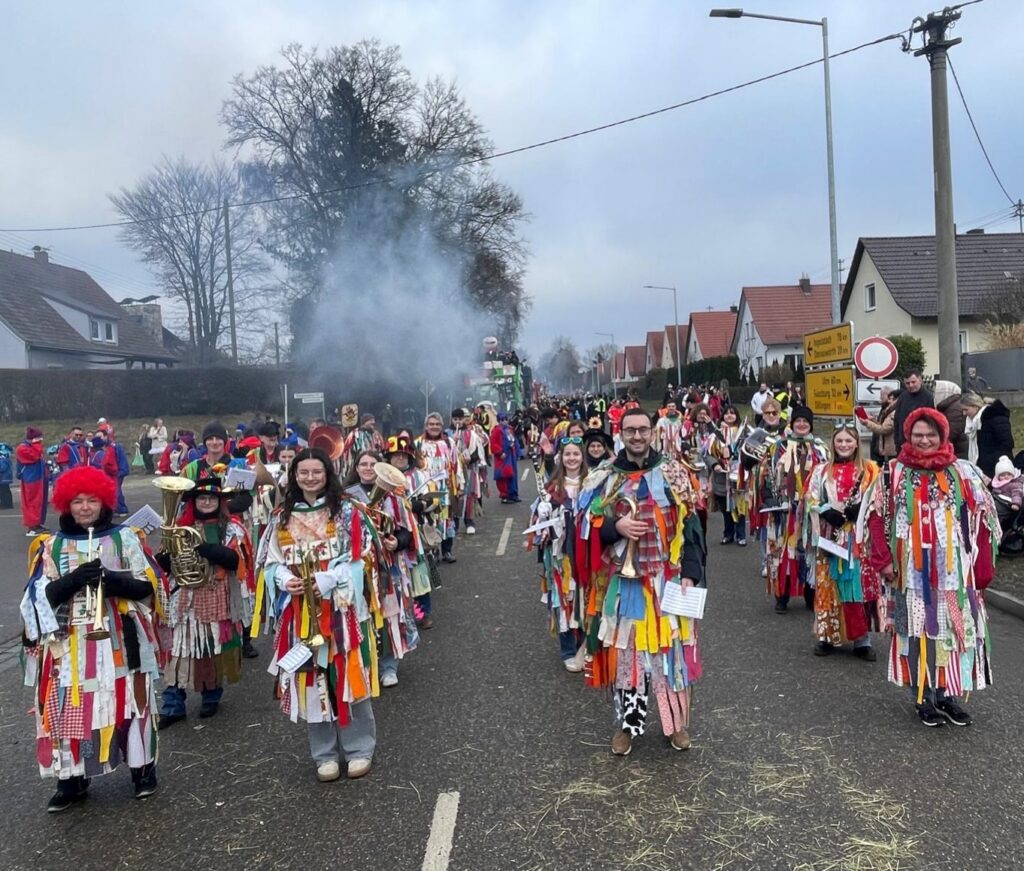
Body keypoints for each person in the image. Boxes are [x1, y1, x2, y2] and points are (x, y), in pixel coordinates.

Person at [19, 466, 161, 811]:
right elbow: (35, 599)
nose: (85, 507)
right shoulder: (51, 545)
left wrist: (116, 582)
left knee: (129, 701)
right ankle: (71, 777)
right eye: (78, 501)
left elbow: (152, 587)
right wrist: (69, 582)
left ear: (104, 502)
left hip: (119, 636)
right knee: (69, 705)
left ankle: (142, 769)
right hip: (68, 643)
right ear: (67, 505)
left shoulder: (125, 538)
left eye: (92, 500)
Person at [575, 408, 706, 756]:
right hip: (623, 583)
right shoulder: (603, 476)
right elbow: (584, 528)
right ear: (621, 433)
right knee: (627, 657)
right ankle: (627, 727)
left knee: (670, 653)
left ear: (652, 432)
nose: (637, 436)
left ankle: (675, 724)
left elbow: (692, 529)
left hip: (667, 579)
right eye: (630, 430)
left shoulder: (674, 472)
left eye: (642, 430)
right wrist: (613, 528)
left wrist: (691, 574)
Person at [865, 408, 999, 727]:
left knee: (953, 630)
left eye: (931, 434)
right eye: (917, 435)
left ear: (943, 436)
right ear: (907, 436)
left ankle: (946, 693)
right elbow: (875, 517)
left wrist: (982, 567)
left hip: (955, 575)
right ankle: (923, 697)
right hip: (909, 575)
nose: (924, 440)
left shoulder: (964, 472)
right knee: (916, 632)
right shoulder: (893, 473)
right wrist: (883, 561)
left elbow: (986, 518)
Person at [262, 448, 380, 781]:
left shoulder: (346, 512)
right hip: (300, 611)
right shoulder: (281, 516)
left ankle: (359, 748)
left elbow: (362, 557)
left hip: (339, 609)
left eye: (317, 472)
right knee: (311, 678)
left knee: (347, 674)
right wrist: (286, 580)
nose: (310, 478)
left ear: (327, 474)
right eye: (303, 472)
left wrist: (328, 579)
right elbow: (270, 562)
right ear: (294, 476)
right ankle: (324, 753)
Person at [156, 470, 253, 728]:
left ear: (219, 501)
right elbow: (163, 565)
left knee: (212, 647)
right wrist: (164, 559)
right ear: (193, 502)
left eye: (211, 498)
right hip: (184, 599)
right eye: (201, 498)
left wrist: (214, 551)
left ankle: (211, 696)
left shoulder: (231, 527)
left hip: (217, 594)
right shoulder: (180, 529)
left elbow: (238, 562)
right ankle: (173, 704)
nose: (206, 503)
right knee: (178, 650)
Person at [342, 449, 419, 688]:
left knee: (389, 615)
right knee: (359, 615)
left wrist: (397, 542)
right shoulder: (344, 498)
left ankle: (388, 666)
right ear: (356, 468)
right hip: (356, 568)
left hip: (387, 567)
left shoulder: (394, 498)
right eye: (362, 464)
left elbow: (407, 531)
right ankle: (364, 664)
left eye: (372, 464)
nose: (367, 468)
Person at [804, 423, 880, 660]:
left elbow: (880, 499)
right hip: (830, 537)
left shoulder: (870, 470)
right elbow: (810, 496)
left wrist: (863, 508)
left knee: (858, 586)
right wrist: (826, 510)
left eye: (849, 441)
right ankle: (827, 636)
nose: (844, 445)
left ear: (857, 443)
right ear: (833, 444)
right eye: (840, 441)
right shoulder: (821, 470)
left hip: (858, 539)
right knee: (828, 586)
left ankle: (861, 639)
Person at [753, 405, 828, 613]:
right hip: (783, 511)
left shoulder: (820, 448)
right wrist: (770, 499)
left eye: (805, 421)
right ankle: (781, 596)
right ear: (792, 423)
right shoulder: (779, 447)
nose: (802, 424)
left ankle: (810, 594)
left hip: (811, 512)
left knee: (810, 552)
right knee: (782, 553)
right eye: (798, 421)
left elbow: (827, 477)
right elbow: (765, 474)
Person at [528, 436, 587, 672]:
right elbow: (539, 528)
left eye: (576, 454)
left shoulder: (592, 484)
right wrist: (542, 516)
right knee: (564, 601)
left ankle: (585, 646)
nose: (572, 458)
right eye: (567, 454)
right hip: (561, 556)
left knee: (585, 597)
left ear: (582, 457)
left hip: (585, 552)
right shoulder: (551, 487)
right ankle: (568, 650)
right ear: (560, 458)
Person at [387, 431, 438, 630]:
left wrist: (417, 505)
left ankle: (423, 613)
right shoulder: (382, 477)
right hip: (392, 534)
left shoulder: (419, 475)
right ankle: (402, 616)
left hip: (416, 534)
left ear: (409, 456)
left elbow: (435, 500)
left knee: (420, 575)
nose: (400, 457)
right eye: (395, 454)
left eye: (403, 454)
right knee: (397, 577)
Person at [417, 413, 463, 564]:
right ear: (426, 426)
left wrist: (459, 486)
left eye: (437, 424)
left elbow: (457, 465)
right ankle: (432, 550)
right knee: (430, 519)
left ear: (441, 426)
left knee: (446, 519)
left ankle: (447, 550)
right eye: (431, 424)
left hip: (445, 489)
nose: (434, 427)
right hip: (426, 490)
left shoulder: (449, 443)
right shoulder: (418, 444)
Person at [708, 405, 750, 546]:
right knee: (726, 509)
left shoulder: (744, 433)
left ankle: (741, 535)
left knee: (740, 507)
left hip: (738, 476)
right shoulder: (716, 434)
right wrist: (715, 464)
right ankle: (728, 534)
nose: (729, 416)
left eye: (732, 413)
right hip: (721, 476)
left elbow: (750, 451)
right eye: (726, 413)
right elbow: (706, 453)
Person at [960, 391, 1014, 479]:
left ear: (975, 406)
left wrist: (993, 462)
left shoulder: (995, 418)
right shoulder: (974, 423)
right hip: (983, 467)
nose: (964, 413)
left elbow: (1007, 443)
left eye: (966, 409)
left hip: (998, 468)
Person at [450, 408, 487, 535]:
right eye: (455, 419)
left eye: (460, 419)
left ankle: (469, 521)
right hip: (453, 472)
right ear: (452, 420)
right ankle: (454, 524)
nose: (458, 422)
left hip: (469, 470)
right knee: (454, 497)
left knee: (469, 496)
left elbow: (479, 452)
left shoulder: (471, 434)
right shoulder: (447, 434)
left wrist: (470, 459)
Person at [17, 426, 50, 536]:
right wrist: (36, 445)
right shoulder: (23, 448)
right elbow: (35, 456)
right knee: (32, 502)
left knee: (40, 502)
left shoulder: (31, 446)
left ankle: (37, 524)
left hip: (39, 478)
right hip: (30, 479)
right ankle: (32, 526)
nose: (41, 441)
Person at [892, 369, 933, 452]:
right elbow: (897, 420)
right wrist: (897, 442)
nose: (910, 385)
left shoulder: (927, 397)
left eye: (913, 382)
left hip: (920, 445)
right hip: (903, 445)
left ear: (920, 380)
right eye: (907, 383)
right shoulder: (903, 397)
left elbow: (931, 422)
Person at [856, 388, 899, 465]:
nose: (888, 401)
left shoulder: (894, 412)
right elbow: (882, 425)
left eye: (890, 399)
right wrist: (872, 420)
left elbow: (883, 429)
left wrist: (867, 423)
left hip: (890, 450)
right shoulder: (888, 410)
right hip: (884, 448)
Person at [932, 380, 968, 458]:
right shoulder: (950, 406)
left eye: (936, 392)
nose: (934, 395)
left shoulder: (954, 408)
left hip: (957, 450)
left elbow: (952, 432)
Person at [490, 412, 520, 504]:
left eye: (506, 419)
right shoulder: (496, 430)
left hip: (511, 455)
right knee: (503, 476)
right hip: (502, 457)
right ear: (499, 421)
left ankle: (513, 494)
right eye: (502, 420)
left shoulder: (510, 429)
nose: (504, 421)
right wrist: (499, 452)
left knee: (512, 474)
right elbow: (493, 443)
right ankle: (504, 496)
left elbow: (515, 441)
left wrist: (518, 452)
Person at [991, 456, 1024, 533]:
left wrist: (1016, 503)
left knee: (998, 515)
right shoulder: (998, 483)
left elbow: (1017, 493)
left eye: (1008, 474)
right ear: (998, 477)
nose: (1006, 477)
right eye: (1003, 475)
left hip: (1008, 506)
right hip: (998, 502)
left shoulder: (1014, 484)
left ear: (1012, 474)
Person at [0, 444, 13, 509]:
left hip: (4, 478)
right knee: (4, 491)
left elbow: (2, 468)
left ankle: (7, 504)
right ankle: (6, 503)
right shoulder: (5, 460)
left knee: (4, 492)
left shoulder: (3, 460)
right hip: (4, 478)